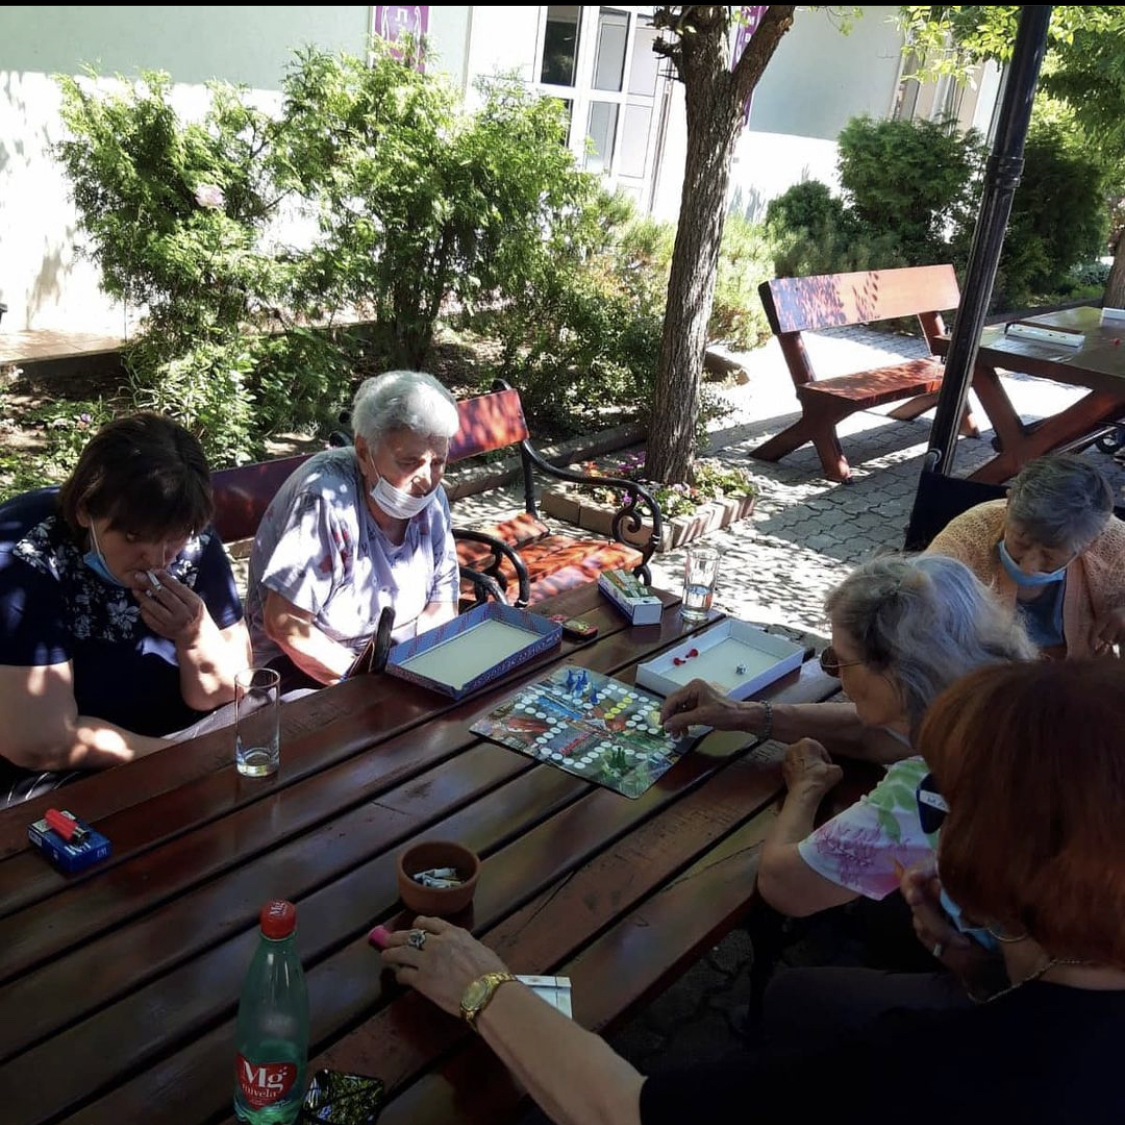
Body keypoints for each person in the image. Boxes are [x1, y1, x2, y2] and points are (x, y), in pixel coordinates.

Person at [380, 660, 1125, 1124]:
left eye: (949, 801)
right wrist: (983, 961)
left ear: (995, 850)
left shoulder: (928, 1064)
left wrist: (481, 987)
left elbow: (622, 1109)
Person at [659, 554, 1034, 919]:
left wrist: (806, 788)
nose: (836, 674)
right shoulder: (997, 703)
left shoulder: (931, 786)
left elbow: (784, 886)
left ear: (898, 670)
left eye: (840, 660)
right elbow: (872, 734)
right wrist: (740, 714)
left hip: (991, 946)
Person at [0, 413, 250, 807]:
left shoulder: (188, 531)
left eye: (174, 539)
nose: (158, 559)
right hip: (73, 771)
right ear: (85, 510)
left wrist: (194, 635)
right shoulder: (28, 559)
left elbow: (229, 691)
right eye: (134, 537)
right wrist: (179, 762)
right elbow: (38, 743)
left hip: (187, 739)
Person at [246, 370, 460, 689]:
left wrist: (423, 668)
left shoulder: (432, 500)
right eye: (408, 462)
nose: (426, 479)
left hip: (394, 661)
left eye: (438, 462)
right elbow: (285, 624)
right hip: (303, 669)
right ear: (363, 452)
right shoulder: (326, 499)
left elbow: (442, 603)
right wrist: (370, 683)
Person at [927, 454, 1125, 656]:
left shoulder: (1115, 542)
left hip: (1079, 670)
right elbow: (920, 596)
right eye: (1021, 544)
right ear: (1009, 503)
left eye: (1049, 556)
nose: (1028, 568)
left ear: (1090, 543)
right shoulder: (967, 535)